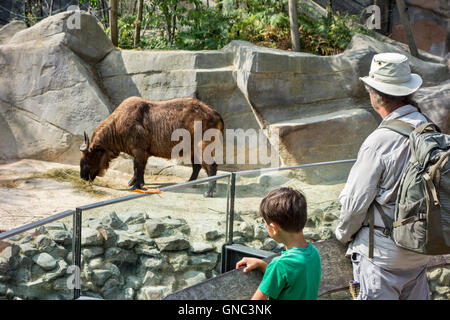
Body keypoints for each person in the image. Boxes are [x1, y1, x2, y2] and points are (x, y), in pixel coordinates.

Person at [335, 52, 431, 300]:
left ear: (375, 95)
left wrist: (342, 235)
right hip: (422, 248)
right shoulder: (430, 130)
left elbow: (355, 204)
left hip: (383, 255)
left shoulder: (379, 141)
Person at [235, 187, 321, 300]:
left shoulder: (280, 264)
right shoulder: (313, 253)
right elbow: (288, 280)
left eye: (265, 223)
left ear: (273, 228)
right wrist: (262, 265)